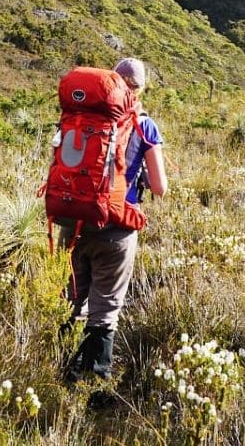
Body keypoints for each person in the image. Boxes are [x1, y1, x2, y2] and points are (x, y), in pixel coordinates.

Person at [61, 57, 168, 384]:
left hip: (75, 221)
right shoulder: (144, 125)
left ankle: (63, 369)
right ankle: (94, 383)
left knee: (71, 299)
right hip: (118, 227)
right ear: (141, 88)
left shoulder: (79, 115)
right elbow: (160, 187)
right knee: (105, 307)